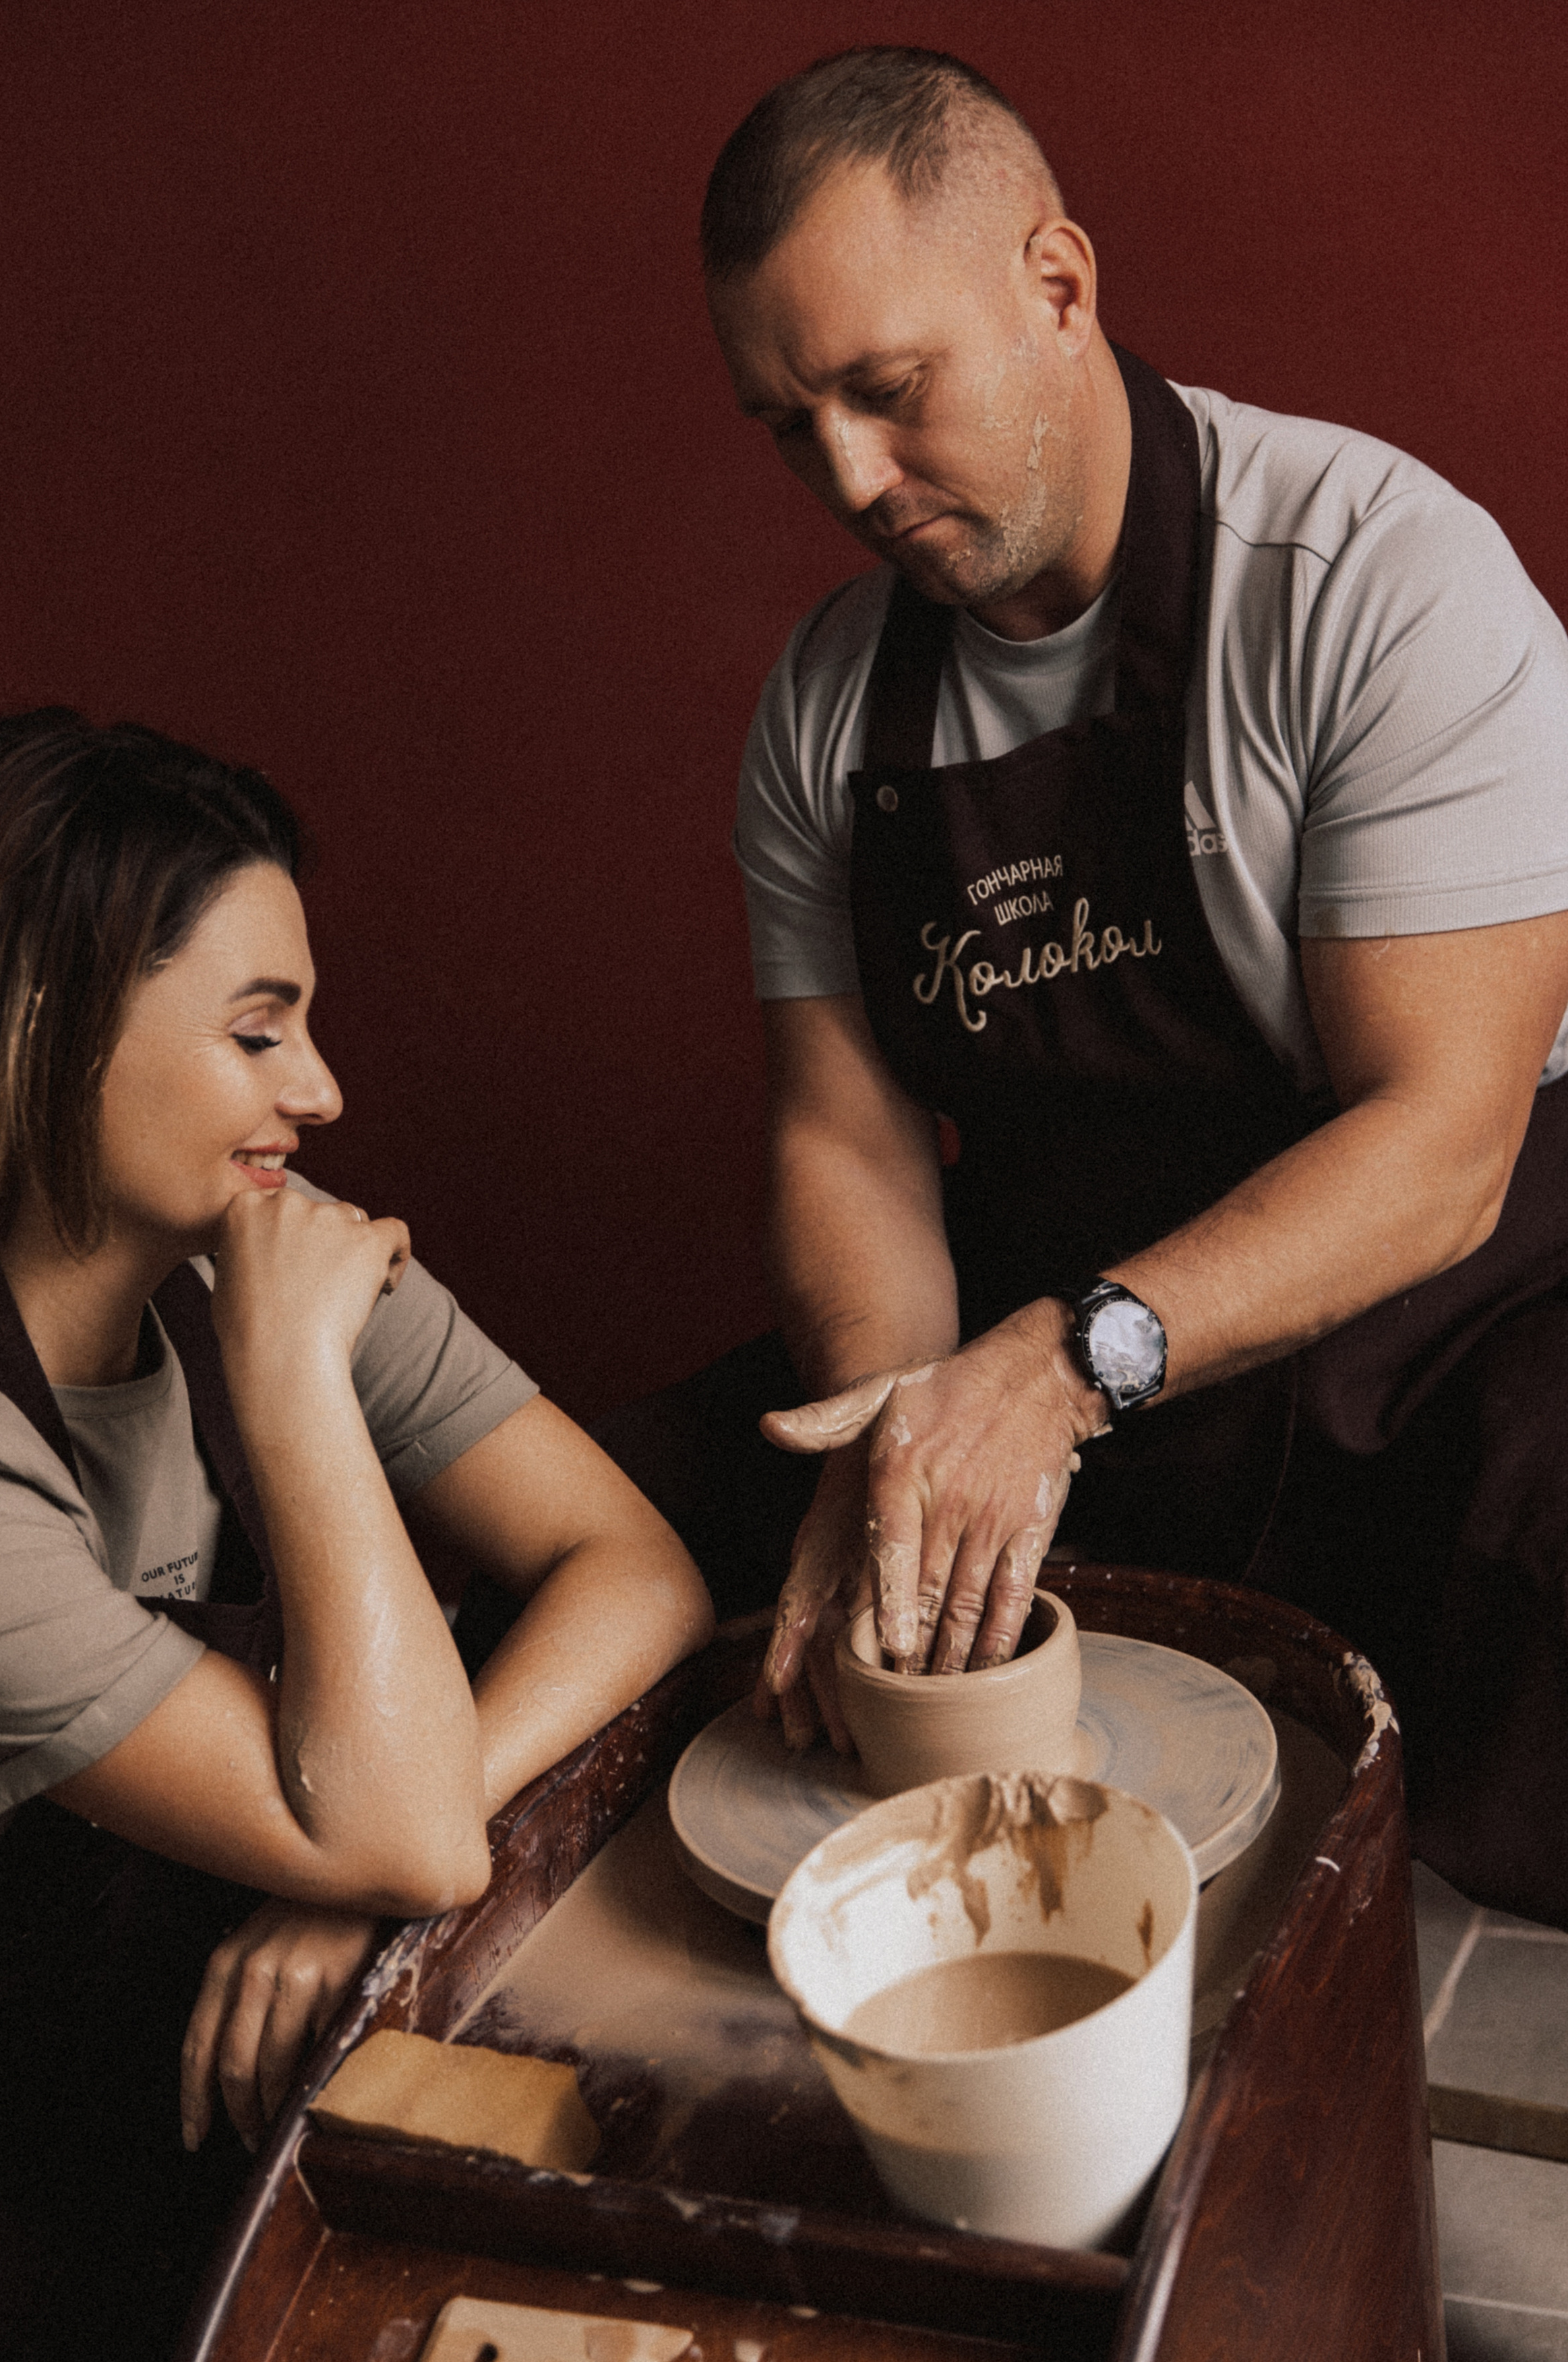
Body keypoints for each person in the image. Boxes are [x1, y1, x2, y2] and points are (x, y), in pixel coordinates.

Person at [593, 45, 1568, 1927]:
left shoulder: (1376, 582)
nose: (849, 480)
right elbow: (847, 1139)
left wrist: (1058, 1376)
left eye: (889, 391)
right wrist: (897, 1436)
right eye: (791, 427)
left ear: (1057, 284)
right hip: (1035, 1299)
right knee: (602, 1533)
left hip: (1444, 1311)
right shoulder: (830, 704)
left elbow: (1444, 1141)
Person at [0, 709, 713, 2362]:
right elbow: (402, 1835)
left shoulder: (266, 1247)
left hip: (180, 2038)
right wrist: (301, 1387)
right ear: (47, 1026)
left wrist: (346, 1873)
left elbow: (635, 1570)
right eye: (257, 1032)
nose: (318, 1090)